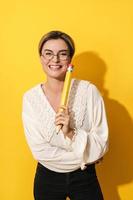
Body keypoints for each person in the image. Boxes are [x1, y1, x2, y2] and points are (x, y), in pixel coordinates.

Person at [22, 30, 109, 200]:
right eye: (48, 54)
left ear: (70, 60)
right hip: (47, 179)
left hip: (85, 178)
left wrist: (71, 133)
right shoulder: (30, 98)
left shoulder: (89, 92)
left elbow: (102, 143)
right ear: (40, 58)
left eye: (62, 54)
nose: (54, 60)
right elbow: (39, 151)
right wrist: (84, 155)